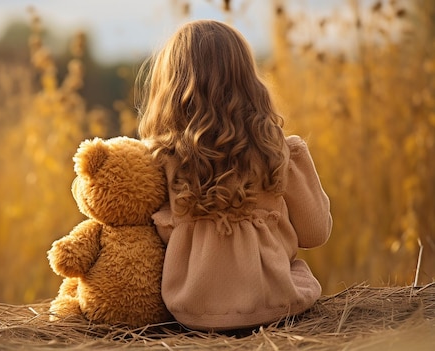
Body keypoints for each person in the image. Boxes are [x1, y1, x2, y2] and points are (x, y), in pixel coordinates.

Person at [136, 19, 332, 331]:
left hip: (191, 310)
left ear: (169, 86)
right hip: (274, 302)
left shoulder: (161, 158)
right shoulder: (280, 150)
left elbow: (157, 235)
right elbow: (315, 233)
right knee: (299, 272)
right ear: (249, 81)